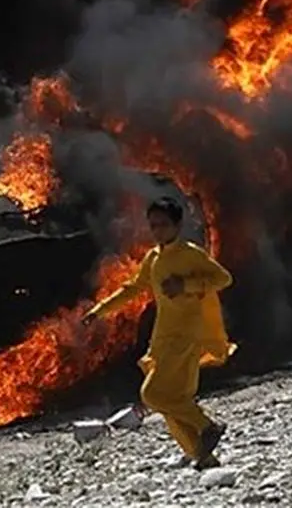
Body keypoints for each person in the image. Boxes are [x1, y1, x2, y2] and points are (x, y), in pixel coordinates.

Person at [82, 196, 235, 470]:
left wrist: (186, 285)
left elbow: (223, 278)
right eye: (153, 225)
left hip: (186, 336)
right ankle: (203, 456)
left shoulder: (190, 254)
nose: (158, 230)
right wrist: (99, 311)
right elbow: (133, 288)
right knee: (174, 401)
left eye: (163, 224)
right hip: (163, 336)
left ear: (177, 225)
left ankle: (207, 426)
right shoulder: (153, 257)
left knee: (152, 394)